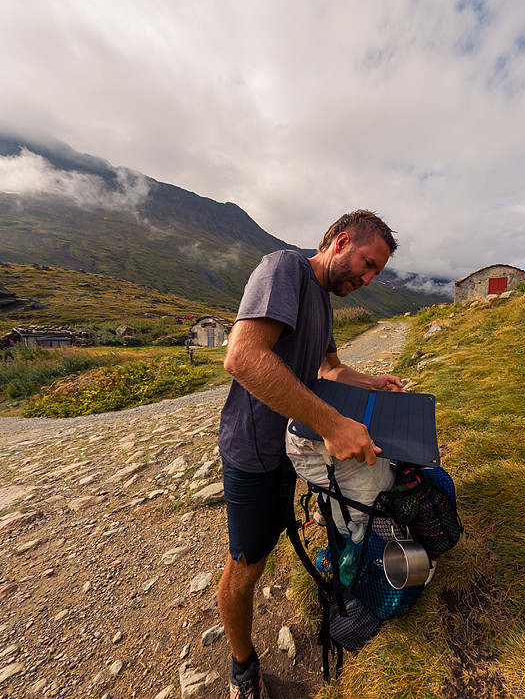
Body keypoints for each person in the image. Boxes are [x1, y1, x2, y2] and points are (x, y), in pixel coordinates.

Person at [216, 210, 404, 698]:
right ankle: (242, 666)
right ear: (340, 242)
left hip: (290, 447)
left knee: (279, 535)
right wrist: (332, 425)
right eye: (367, 264)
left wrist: (373, 382)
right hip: (254, 451)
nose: (367, 279)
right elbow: (242, 356)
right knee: (246, 565)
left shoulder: (322, 299)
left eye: (376, 273)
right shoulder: (285, 269)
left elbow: (330, 370)